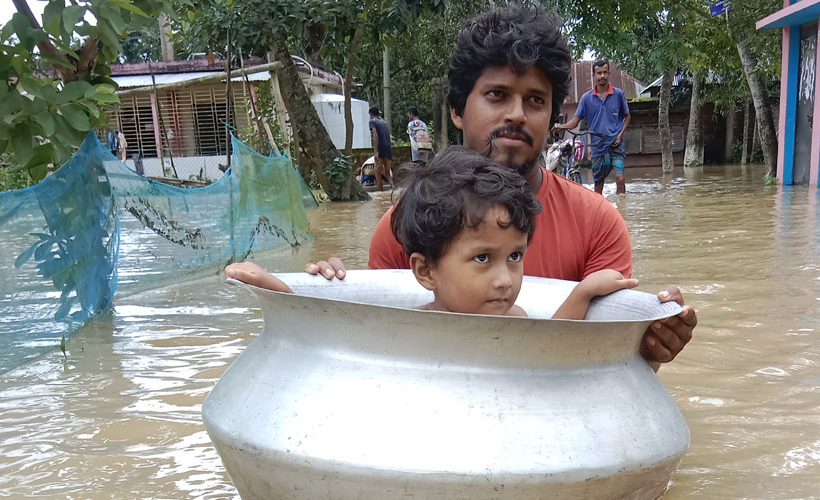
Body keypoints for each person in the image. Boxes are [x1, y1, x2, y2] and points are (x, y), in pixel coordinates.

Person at [267, 3, 696, 367]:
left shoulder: (597, 223)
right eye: (497, 95)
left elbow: (602, 368)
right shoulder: (403, 227)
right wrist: (317, 293)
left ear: (552, 117)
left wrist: (648, 347)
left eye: (535, 100)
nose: (517, 114)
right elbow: (379, 353)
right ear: (457, 110)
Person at [226, 148, 637, 320]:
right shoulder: (416, 325)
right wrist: (283, 292)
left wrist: (583, 294)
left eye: (515, 256)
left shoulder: (514, 318)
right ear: (425, 272)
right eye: (482, 258)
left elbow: (554, 356)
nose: (505, 279)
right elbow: (335, 335)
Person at [555, 59, 630, 195]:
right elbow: (575, 121)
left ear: (609, 74)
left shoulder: (618, 94)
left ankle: (622, 206)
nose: (602, 76)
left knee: (620, 178)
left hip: (616, 144)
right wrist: (562, 126)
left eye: (605, 72)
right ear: (593, 76)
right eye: (599, 73)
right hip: (597, 146)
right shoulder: (586, 98)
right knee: (598, 183)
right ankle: (599, 207)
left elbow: (627, 116)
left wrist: (620, 135)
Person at [369, 108, 394, 191]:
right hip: (388, 149)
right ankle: (395, 189)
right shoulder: (384, 122)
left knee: (378, 173)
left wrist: (376, 151)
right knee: (387, 174)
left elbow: (375, 135)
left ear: (371, 114)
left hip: (380, 149)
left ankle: (381, 192)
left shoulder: (372, 122)